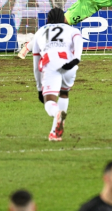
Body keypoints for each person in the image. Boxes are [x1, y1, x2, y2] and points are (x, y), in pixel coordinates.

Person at [29, 8, 83, 141]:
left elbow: (36, 64)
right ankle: (55, 133)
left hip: (51, 63)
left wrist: (39, 88)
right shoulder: (73, 30)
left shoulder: (40, 32)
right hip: (70, 63)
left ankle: (56, 113)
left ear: (47, 20)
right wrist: (76, 60)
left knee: (50, 102)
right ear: (64, 19)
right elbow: (78, 45)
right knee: (64, 93)